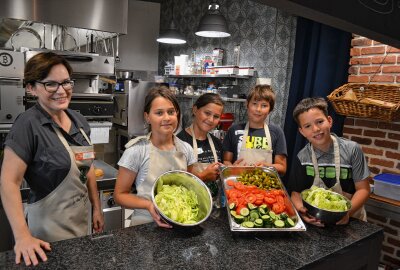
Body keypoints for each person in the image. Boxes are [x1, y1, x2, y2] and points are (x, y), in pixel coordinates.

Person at [0, 52, 104, 266]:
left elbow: (87, 166)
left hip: (80, 223)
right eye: (51, 84)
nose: (61, 90)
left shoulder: (79, 121)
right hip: (47, 233)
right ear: (31, 87)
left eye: (66, 82)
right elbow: (8, 182)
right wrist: (22, 236)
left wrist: (97, 206)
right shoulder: (27, 125)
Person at [114, 86, 196, 227]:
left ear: (177, 114)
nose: (167, 118)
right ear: (147, 117)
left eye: (171, 112)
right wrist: (148, 205)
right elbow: (119, 195)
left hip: (180, 222)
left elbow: (190, 186)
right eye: (159, 113)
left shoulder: (186, 149)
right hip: (145, 225)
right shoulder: (137, 151)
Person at [290, 97, 370, 226]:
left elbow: (363, 189)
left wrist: (347, 213)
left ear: (329, 121)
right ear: (302, 131)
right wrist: (302, 211)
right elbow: (296, 193)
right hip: (317, 220)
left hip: (351, 221)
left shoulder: (352, 150)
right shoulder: (302, 156)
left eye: (320, 122)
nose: (315, 129)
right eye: (308, 126)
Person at [222, 85, 287, 175]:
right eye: (254, 104)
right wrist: (232, 168)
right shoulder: (234, 130)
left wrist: (266, 166)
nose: (258, 109)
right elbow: (226, 161)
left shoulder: (276, 132)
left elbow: (282, 167)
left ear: (270, 110)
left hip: (265, 185)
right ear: (247, 105)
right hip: (237, 183)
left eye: (264, 106)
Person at [177, 93, 224, 199]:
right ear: (195, 110)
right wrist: (203, 176)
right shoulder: (179, 141)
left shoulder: (217, 143)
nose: (211, 120)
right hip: (187, 206)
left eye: (216, 116)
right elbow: (175, 181)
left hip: (213, 207)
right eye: (207, 113)